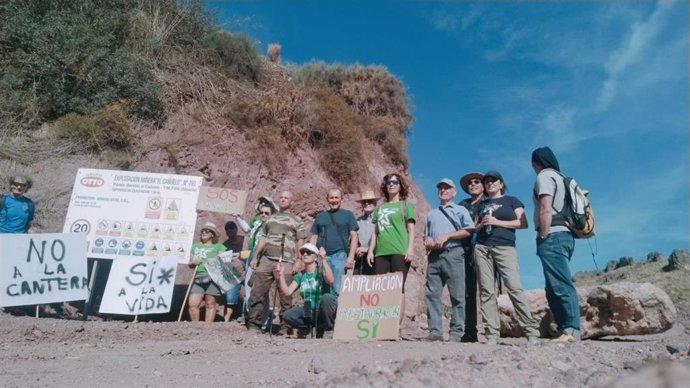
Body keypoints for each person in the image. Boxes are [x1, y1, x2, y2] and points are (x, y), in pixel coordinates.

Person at [474, 171, 539, 344]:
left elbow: (523, 223)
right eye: (487, 181)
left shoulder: (512, 200)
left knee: (514, 288)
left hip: (505, 247)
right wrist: (481, 224)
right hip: (482, 248)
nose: (490, 183)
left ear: (501, 184)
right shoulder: (482, 204)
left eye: (493, 180)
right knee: (487, 291)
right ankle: (492, 334)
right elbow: (475, 227)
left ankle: (531, 331)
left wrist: (498, 222)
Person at [532, 146, 581, 342]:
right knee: (553, 286)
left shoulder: (544, 177)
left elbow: (545, 208)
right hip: (567, 235)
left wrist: (543, 235)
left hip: (552, 235)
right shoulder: (561, 178)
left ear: (535, 163)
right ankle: (564, 328)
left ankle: (571, 330)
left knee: (560, 284)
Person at [248, 191, 306, 333]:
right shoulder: (270, 219)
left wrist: (299, 260)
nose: (283, 199)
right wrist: (255, 257)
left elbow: (300, 241)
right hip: (266, 260)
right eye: (281, 197)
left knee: (285, 295)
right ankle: (254, 324)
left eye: (287, 197)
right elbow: (263, 239)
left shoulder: (297, 220)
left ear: (292, 202)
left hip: (286, 261)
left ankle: (285, 326)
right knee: (257, 292)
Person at [423, 178, 474, 342]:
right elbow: (426, 234)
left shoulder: (459, 210)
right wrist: (428, 240)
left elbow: (469, 230)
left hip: (454, 253)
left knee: (457, 295)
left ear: (454, 192)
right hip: (434, 256)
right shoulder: (431, 213)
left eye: (447, 188)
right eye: (441, 188)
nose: (443, 190)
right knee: (432, 294)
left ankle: (456, 332)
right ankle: (435, 331)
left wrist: (447, 235)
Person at [366, 173, 415, 324]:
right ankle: (382, 324)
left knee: (398, 289)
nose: (391, 184)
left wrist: (410, 249)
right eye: (388, 182)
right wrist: (370, 250)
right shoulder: (380, 208)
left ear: (400, 185)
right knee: (381, 288)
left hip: (399, 251)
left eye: (395, 182)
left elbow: (411, 230)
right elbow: (375, 231)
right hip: (381, 252)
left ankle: (395, 326)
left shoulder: (405, 205)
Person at [275, 243, 337, 338]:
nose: (305, 254)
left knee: (327, 298)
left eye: (308, 252)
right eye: (302, 252)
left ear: (316, 256)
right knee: (287, 315)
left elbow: (330, 280)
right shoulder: (300, 275)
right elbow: (287, 292)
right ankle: (310, 328)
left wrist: (323, 260)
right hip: (309, 310)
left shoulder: (321, 270)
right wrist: (281, 276)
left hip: (324, 308)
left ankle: (328, 328)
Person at [309, 188, 358, 295]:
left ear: (341, 199)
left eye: (336, 198)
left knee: (337, 288)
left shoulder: (348, 215)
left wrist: (351, 257)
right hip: (321, 257)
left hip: (339, 256)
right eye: (331, 198)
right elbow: (314, 237)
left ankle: (336, 311)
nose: (334, 200)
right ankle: (322, 311)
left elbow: (354, 236)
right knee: (321, 287)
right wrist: (311, 256)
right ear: (327, 199)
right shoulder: (320, 216)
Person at [457, 171, 485, 343]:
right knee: (468, 292)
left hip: (484, 249)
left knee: (487, 289)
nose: (473, 184)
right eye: (470, 183)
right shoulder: (462, 205)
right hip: (465, 251)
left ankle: (493, 329)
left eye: (476, 181)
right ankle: (470, 331)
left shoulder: (489, 203)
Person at [188, 222, 226, 322]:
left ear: (212, 234)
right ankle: (195, 327)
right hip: (198, 277)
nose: (204, 232)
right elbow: (190, 264)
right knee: (193, 304)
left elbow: (224, 262)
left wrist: (214, 260)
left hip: (212, 277)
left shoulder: (219, 247)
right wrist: (193, 262)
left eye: (207, 231)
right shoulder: (195, 246)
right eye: (202, 231)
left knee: (210, 303)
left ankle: (207, 329)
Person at [222, 221, 245, 322]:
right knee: (230, 295)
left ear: (236, 229)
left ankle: (246, 315)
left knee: (251, 293)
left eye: (232, 228)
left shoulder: (245, 240)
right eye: (228, 229)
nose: (230, 231)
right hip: (233, 272)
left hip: (247, 269)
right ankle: (227, 318)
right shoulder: (225, 245)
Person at [354, 190, 378, 275]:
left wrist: (368, 249)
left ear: (375, 203)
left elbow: (382, 238)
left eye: (370, 201)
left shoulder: (380, 219)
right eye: (364, 201)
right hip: (360, 259)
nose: (367, 203)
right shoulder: (358, 221)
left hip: (376, 257)